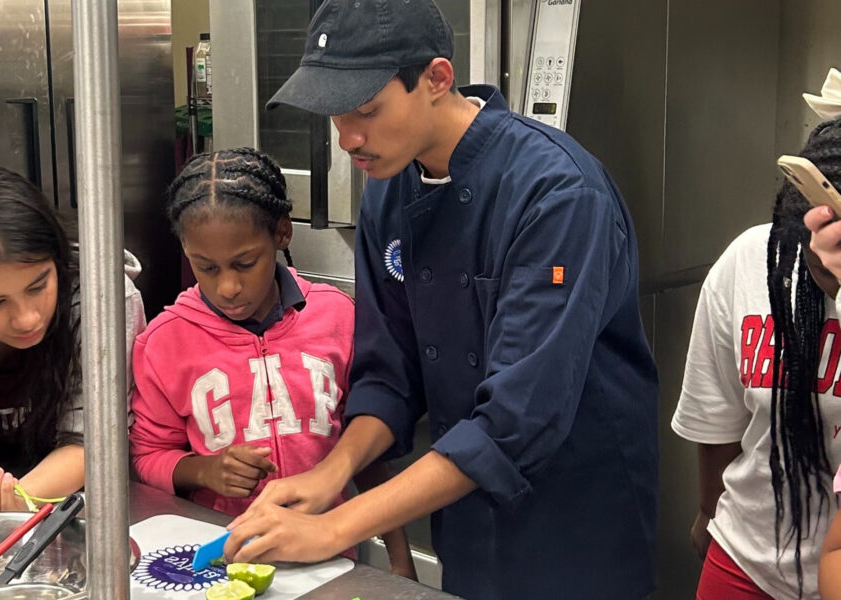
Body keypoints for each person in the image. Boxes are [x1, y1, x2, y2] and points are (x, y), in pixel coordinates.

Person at [219, 2, 659, 599]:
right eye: (335, 116)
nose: (348, 138)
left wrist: (334, 528)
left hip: (575, 521)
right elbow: (391, 373)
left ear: (436, 79)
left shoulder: (556, 194)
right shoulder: (388, 188)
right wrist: (331, 475)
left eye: (367, 110)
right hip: (467, 518)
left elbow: (515, 422)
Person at [128, 147, 416, 577]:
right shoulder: (163, 343)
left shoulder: (338, 318)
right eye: (205, 267)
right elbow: (147, 456)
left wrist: (399, 556)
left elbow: (367, 450)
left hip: (327, 561)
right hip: (220, 566)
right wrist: (203, 471)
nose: (227, 287)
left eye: (245, 263)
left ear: (282, 233)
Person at [672, 117, 841, 600]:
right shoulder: (749, 262)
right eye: (813, 260)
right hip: (747, 560)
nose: (826, 274)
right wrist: (708, 512)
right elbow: (716, 418)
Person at [0, 166, 146, 513]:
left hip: (76, 507)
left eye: (38, 286)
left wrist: (8, 505)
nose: (27, 318)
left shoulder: (102, 298)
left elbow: (94, 443)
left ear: (58, 259)